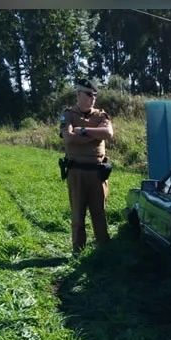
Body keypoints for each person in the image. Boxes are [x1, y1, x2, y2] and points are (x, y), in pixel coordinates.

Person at [59, 80, 114, 254]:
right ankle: (78, 251)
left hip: (97, 173)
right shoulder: (68, 114)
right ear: (79, 95)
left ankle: (103, 251)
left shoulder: (101, 115)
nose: (93, 98)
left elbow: (108, 133)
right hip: (76, 172)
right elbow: (68, 137)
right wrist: (94, 135)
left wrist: (81, 131)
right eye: (89, 94)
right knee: (77, 215)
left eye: (95, 95)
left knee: (100, 214)